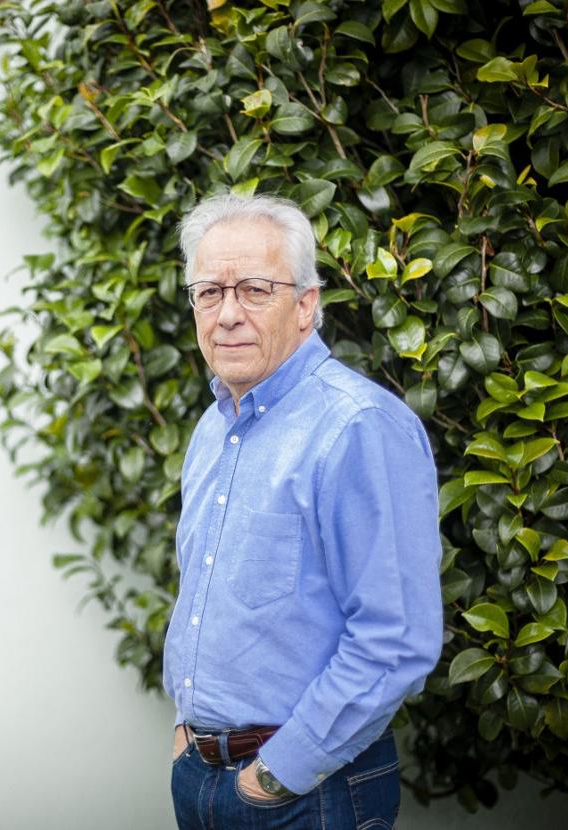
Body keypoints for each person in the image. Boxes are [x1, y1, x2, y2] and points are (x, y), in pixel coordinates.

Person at [164, 193, 443, 829]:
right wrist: (189, 736)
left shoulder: (359, 428)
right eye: (209, 293)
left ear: (307, 306)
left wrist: (273, 776)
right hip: (202, 777)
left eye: (255, 290)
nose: (227, 314)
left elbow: (396, 639)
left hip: (308, 792)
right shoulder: (214, 427)